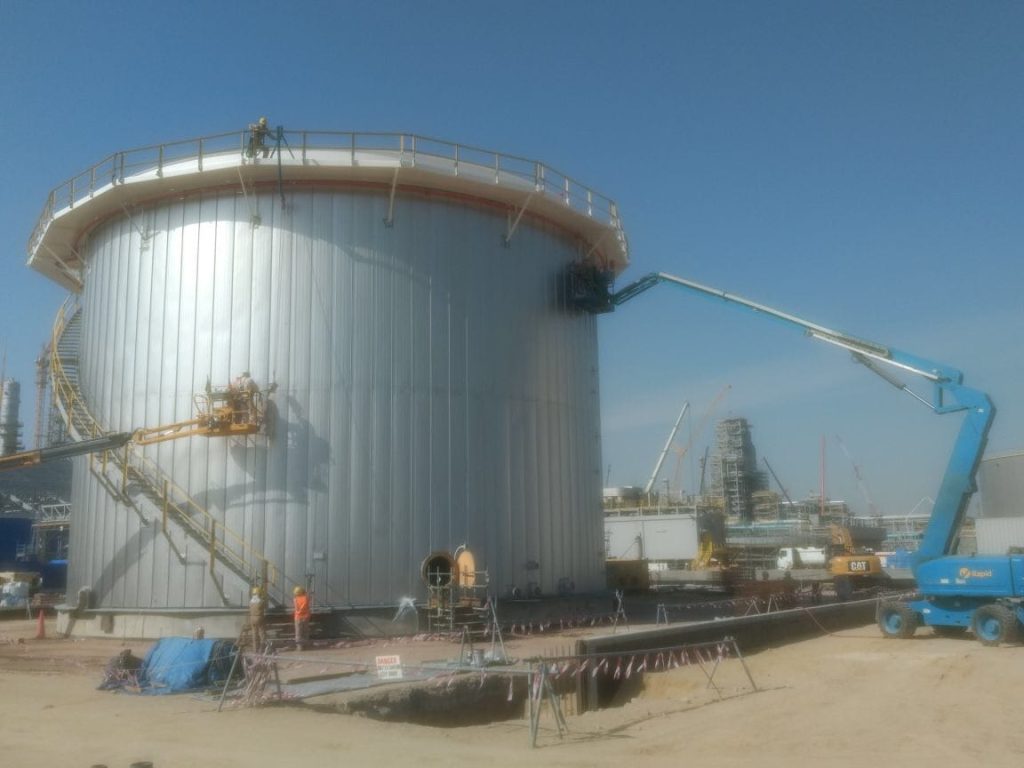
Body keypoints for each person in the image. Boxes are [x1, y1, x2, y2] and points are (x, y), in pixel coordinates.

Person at [292, 585, 311, 650]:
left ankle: (299, 647)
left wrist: (299, 611)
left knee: (298, 632)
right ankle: (306, 645)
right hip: (306, 617)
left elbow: (296, 608)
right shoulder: (306, 598)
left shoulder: (295, 599)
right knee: (305, 631)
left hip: (298, 617)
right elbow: (306, 603)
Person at [248, 586, 266, 651]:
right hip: (259, 618)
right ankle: (262, 648)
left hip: (252, 618)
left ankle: (255, 649)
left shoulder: (250, 602)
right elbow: (264, 606)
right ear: (259, 593)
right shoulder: (261, 601)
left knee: (254, 633)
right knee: (261, 632)